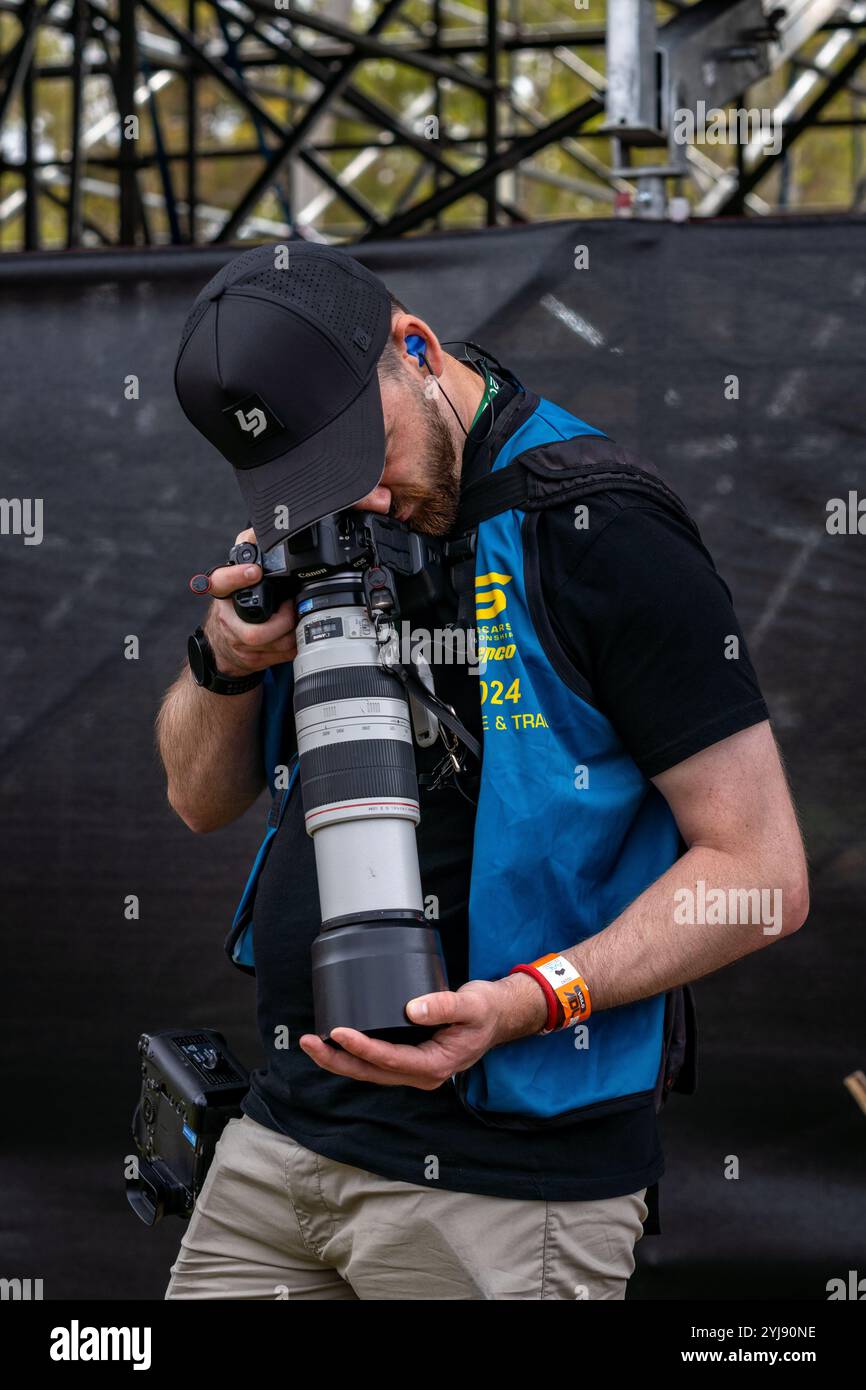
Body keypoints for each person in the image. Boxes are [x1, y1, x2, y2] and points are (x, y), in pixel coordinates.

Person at [158, 242, 809, 1300]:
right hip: (282, 1141)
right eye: (313, 477)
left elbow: (761, 872)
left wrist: (521, 1004)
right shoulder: (323, 526)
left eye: (363, 456)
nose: (359, 500)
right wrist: (220, 659)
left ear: (414, 348)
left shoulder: (599, 527)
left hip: (507, 1192)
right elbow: (198, 799)